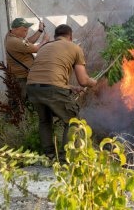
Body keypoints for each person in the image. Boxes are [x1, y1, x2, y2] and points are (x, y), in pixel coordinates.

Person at [26, 24, 97, 160]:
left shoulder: (45, 47)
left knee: (45, 121)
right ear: (70, 37)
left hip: (32, 87)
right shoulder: (75, 48)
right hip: (52, 89)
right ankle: (65, 158)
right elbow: (83, 81)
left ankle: (49, 155)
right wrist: (92, 82)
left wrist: (70, 87)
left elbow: (48, 74)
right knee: (73, 121)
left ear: (55, 36)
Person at [4, 17, 49, 102]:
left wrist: (40, 31)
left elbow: (28, 42)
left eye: (27, 29)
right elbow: (36, 49)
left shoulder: (11, 35)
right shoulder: (14, 41)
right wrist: (45, 40)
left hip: (24, 76)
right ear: (16, 29)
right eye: (24, 30)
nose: (27, 32)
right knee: (21, 101)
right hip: (21, 78)